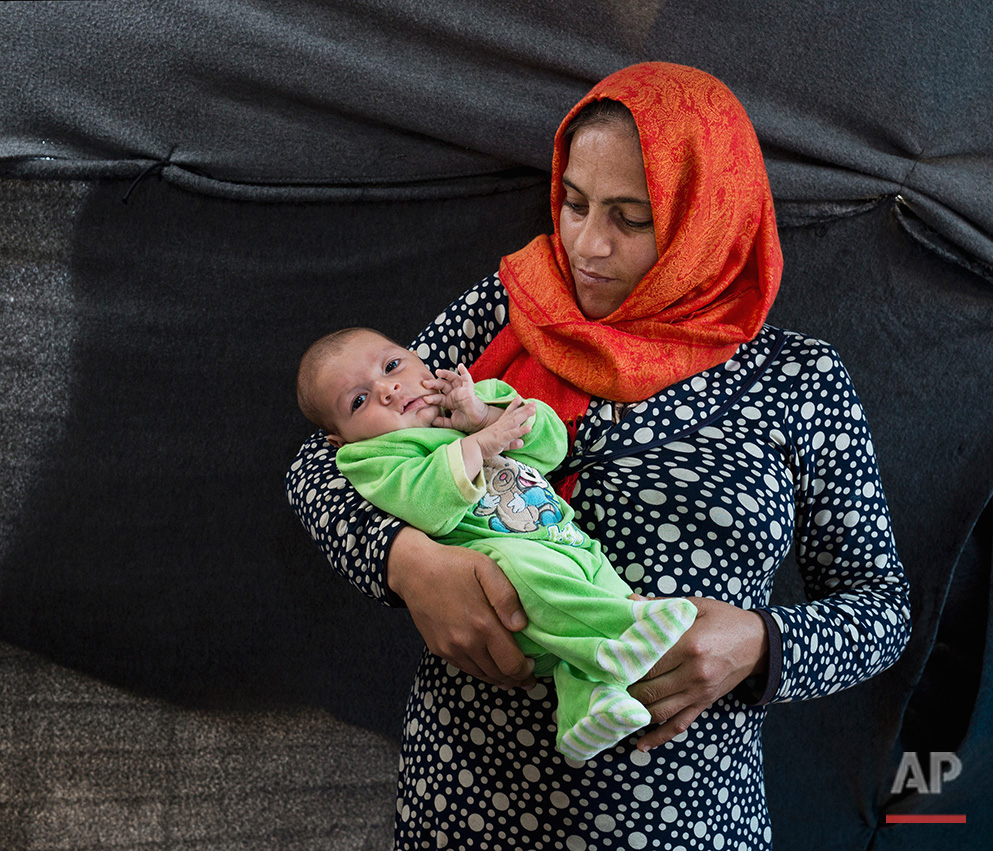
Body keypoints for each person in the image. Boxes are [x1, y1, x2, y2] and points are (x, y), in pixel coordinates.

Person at [286, 62, 911, 850]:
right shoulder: (513, 305)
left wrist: (759, 643)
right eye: (574, 204)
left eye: (631, 217)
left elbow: (880, 608)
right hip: (468, 800)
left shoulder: (795, 380)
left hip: (685, 817)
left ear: (703, 217)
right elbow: (323, 457)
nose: (586, 245)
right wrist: (408, 562)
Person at [295, 326, 697, 761]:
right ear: (340, 439)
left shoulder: (477, 396)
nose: (388, 390)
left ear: (420, 358)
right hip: (504, 577)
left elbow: (551, 446)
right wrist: (480, 443)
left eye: (393, 366)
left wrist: (485, 415)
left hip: (564, 541)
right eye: (359, 401)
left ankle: (591, 708)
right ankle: (625, 629)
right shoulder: (373, 456)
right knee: (530, 571)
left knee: (592, 577)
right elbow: (424, 503)